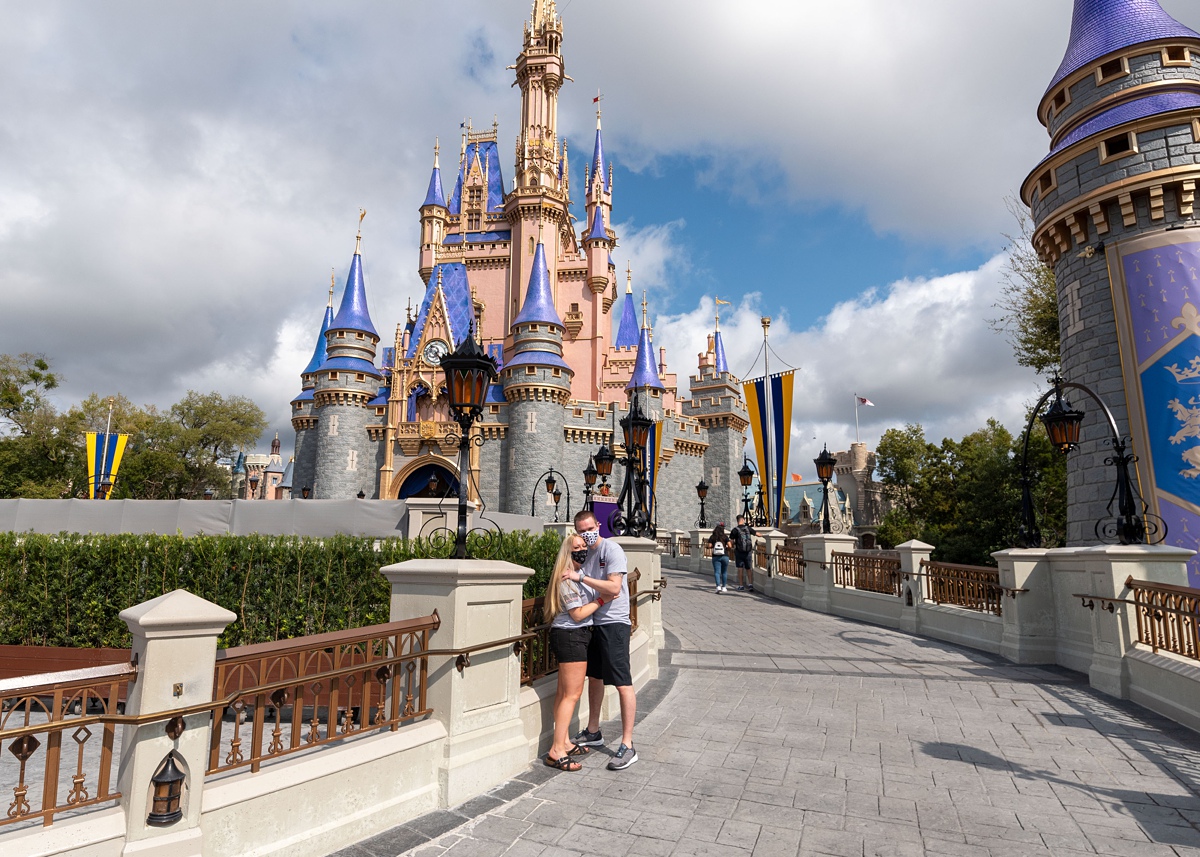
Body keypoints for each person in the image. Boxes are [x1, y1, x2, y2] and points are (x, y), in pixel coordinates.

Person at [567, 509, 638, 770]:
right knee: (594, 677)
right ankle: (593, 731)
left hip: (614, 625)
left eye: (590, 528)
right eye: (582, 530)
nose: (588, 533)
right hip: (592, 623)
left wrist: (582, 577)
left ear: (598, 524)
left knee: (621, 682)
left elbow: (615, 588)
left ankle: (628, 745)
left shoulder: (612, 550)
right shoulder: (584, 554)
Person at [543, 533, 607, 770]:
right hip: (571, 636)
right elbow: (578, 614)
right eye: (576, 548)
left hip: (575, 635)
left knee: (563, 693)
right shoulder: (565, 580)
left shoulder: (578, 577)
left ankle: (564, 742)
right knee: (572, 694)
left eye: (583, 546)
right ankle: (556, 751)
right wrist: (602, 600)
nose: (581, 550)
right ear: (567, 553)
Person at [730, 514, 757, 592]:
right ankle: (750, 585)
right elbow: (757, 534)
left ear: (737, 520)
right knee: (749, 569)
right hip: (748, 551)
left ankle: (741, 586)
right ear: (743, 520)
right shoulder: (748, 528)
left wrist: (729, 547)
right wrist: (764, 536)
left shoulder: (735, 530)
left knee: (740, 569)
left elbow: (731, 541)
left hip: (739, 552)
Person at [708, 522, 731, 593]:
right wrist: (727, 549)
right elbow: (730, 546)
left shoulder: (712, 537)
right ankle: (724, 587)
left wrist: (713, 546)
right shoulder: (725, 537)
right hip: (725, 556)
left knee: (717, 572)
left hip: (715, 556)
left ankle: (718, 586)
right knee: (724, 572)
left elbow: (709, 546)